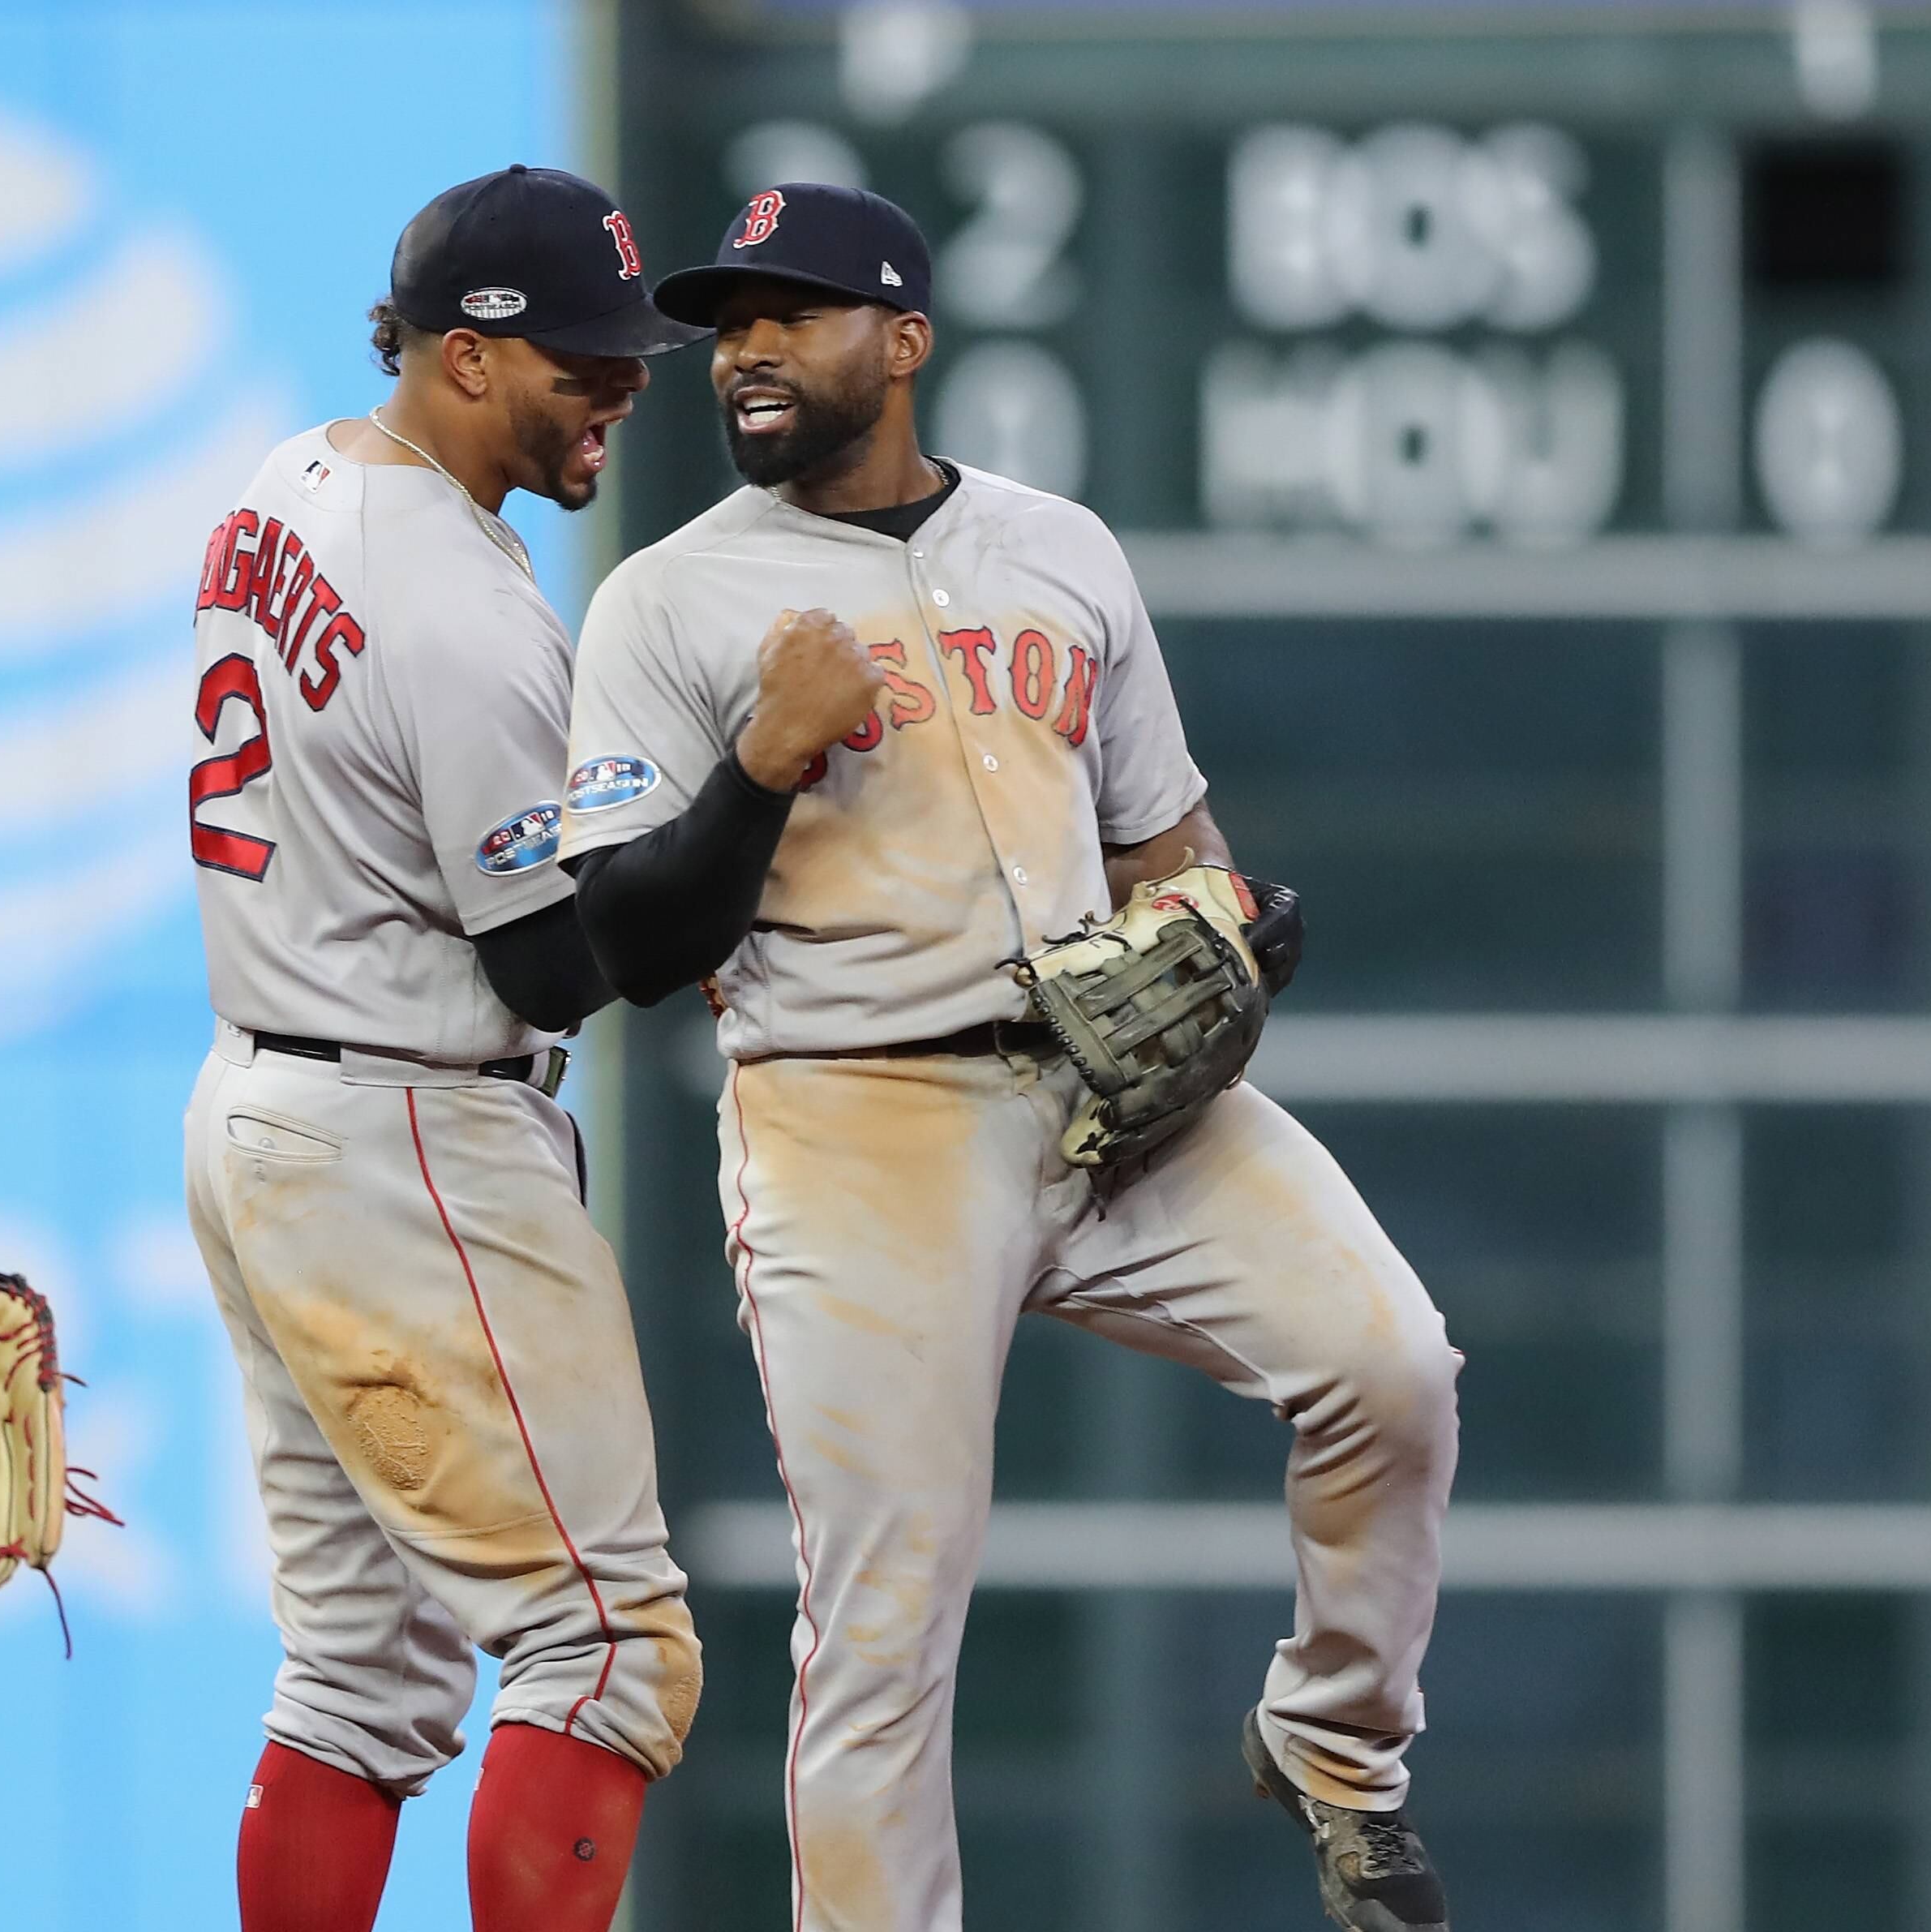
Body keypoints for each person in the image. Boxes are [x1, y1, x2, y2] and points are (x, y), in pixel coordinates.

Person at [560, 182, 1460, 1932]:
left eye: (791, 312)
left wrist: (1225, 921)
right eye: (731, 322)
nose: (745, 349)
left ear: (902, 340)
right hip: (855, 1119)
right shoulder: (668, 602)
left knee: (1394, 1366)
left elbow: (1164, 839)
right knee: (885, 1623)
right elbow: (628, 947)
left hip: (1108, 1092)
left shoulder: (1063, 548)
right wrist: (762, 762)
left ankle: (1337, 1742)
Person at [182, 165, 706, 1932]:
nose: (621, 390)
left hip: (262, 1100)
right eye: (582, 362)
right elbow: (556, 963)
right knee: (607, 1644)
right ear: (464, 356)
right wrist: (747, 801)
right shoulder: (461, 609)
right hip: (404, 1134)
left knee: (360, 1671)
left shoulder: (289, 479)